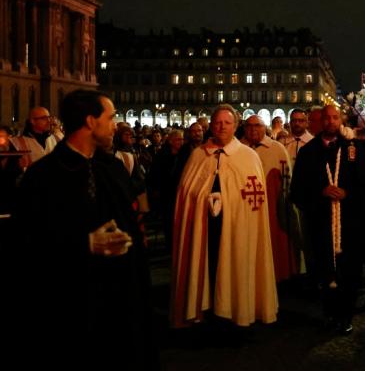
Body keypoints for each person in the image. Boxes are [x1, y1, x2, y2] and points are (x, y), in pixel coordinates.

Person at [12, 90, 157, 369]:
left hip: (119, 303)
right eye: (111, 117)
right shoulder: (43, 177)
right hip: (71, 308)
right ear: (91, 121)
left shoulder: (112, 168)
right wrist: (84, 244)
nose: (116, 124)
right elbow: (28, 244)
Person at [171, 104, 278, 328]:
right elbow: (186, 193)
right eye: (217, 122)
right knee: (204, 271)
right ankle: (203, 314)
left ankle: (236, 313)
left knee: (235, 268)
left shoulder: (248, 157)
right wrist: (204, 201)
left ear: (235, 126)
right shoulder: (198, 155)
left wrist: (228, 203)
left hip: (237, 229)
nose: (222, 127)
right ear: (210, 126)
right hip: (204, 229)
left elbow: (254, 200)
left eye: (227, 123)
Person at [289, 105, 365, 335]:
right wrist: (321, 192)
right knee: (324, 271)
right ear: (317, 122)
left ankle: (346, 315)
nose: (330, 121)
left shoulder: (353, 149)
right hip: (321, 224)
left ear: (341, 120)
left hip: (350, 224)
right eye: (325, 118)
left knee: (350, 271)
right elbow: (297, 191)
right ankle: (329, 313)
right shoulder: (308, 152)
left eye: (334, 117)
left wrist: (347, 193)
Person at [243, 115, 304, 281]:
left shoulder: (277, 149)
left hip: (273, 209)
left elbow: (287, 181)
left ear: (265, 127)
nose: (253, 129)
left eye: (257, 125)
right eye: (249, 126)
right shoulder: (238, 149)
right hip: (243, 211)